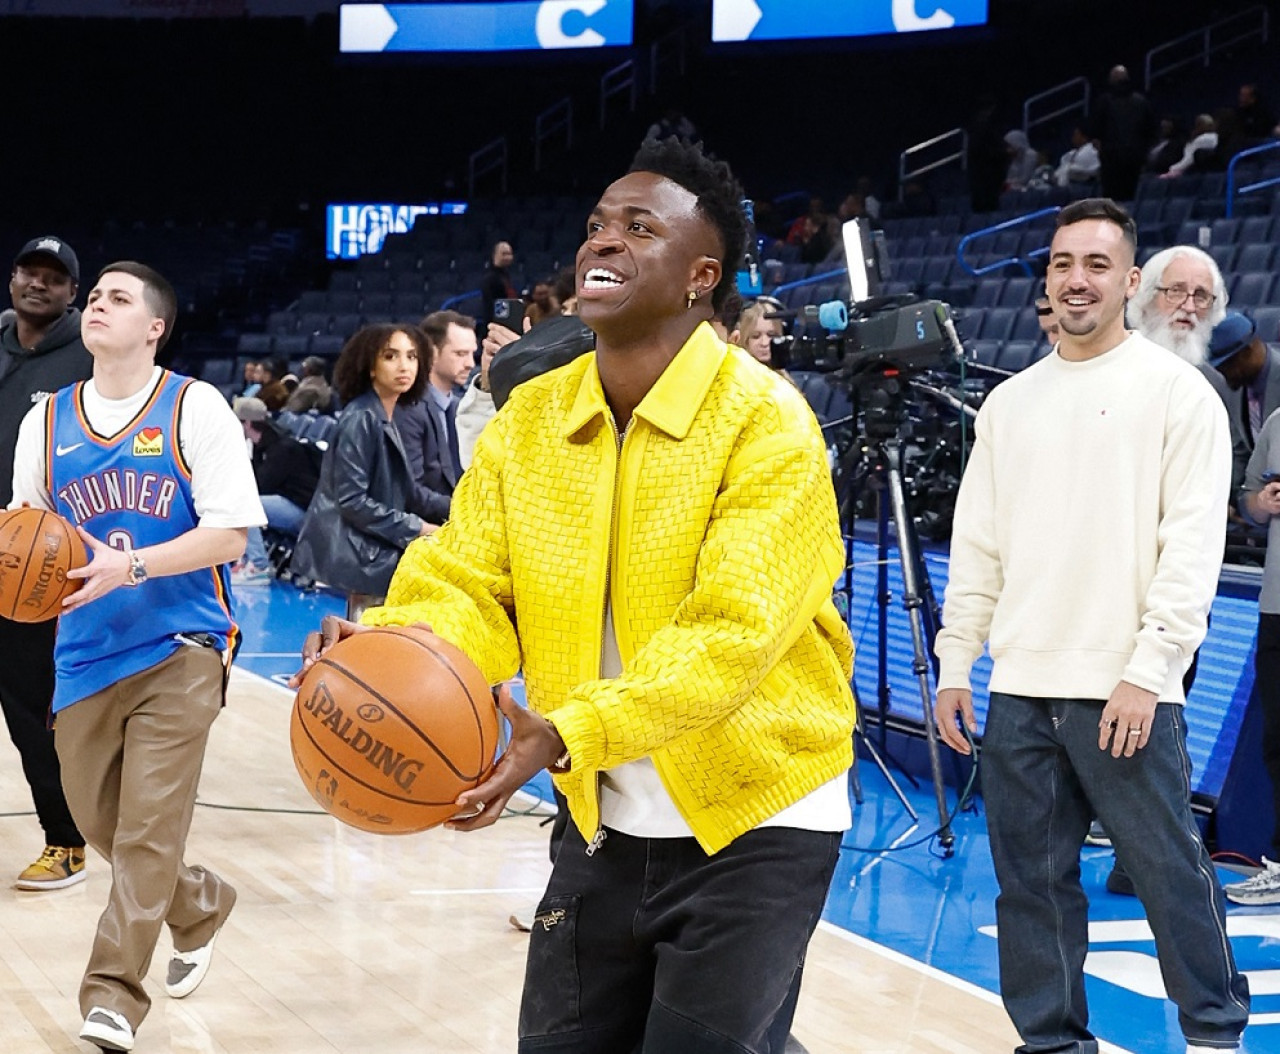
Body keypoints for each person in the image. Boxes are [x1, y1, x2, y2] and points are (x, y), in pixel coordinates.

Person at [295, 136, 856, 1054]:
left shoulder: (768, 424)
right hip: (600, 813)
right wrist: (394, 647)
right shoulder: (534, 418)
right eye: (598, 224)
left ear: (699, 276)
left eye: (640, 228)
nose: (603, 242)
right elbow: (469, 584)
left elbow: (732, 635)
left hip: (756, 815)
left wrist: (564, 731)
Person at [933, 198, 1250, 1054]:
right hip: (1022, 691)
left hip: (1124, 688)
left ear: (1130, 281)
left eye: (1098, 264)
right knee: (1030, 889)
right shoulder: (1009, 405)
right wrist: (958, 663)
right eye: (1063, 263)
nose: (1078, 279)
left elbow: (1192, 551)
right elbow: (980, 547)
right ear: (1047, 278)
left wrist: (1149, 672)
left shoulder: (1178, 395)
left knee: (1169, 877)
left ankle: (1216, 1036)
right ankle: (1051, 1043)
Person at [10, 261, 264, 1052]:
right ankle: (198, 903)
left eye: (117, 298)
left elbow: (230, 535)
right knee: (100, 822)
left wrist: (136, 565)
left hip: (181, 642)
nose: (97, 306)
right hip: (85, 651)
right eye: (95, 298)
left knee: (149, 825)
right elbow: (25, 530)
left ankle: (111, 994)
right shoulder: (44, 420)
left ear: (155, 325)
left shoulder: (194, 407)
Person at [0, 235, 92, 890]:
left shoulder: (87, 361)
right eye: (29, 270)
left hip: (31, 566)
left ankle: (66, 840)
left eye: (54, 276)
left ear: (71, 294)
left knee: (33, 711)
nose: (39, 282)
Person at [290, 324, 435, 621]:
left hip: (371, 546)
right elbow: (353, 501)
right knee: (367, 641)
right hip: (362, 552)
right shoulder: (362, 418)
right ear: (370, 366)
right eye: (390, 356)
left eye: (412, 357)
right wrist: (418, 528)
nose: (404, 366)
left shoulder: (383, 414)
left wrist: (458, 506)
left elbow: (409, 492)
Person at [1229, 392, 1280, 906]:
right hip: (1277, 605)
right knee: (1278, 741)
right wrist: (1261, 505)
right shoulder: (1278, 423)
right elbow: (1247, 499)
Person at [229, 396, 324, 585]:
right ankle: (247, 560)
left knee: (245, 504)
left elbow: (262, 485)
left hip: (304, 510)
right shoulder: (261, 446)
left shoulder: (281, 448)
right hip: (288, 503)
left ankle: (258, 565)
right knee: (241, 501)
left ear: (246, 423)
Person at [394, 309, 477, 522]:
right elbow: (410, 492)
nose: (470, 363)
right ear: (431, 353)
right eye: (460, 354)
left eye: (471, 353)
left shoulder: (460, 407)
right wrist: (467, 511)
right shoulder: (408, 408)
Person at [1205, 312, 1280, 443]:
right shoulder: (1233, 387)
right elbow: (1240, 452)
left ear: (1247, 352)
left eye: (1226, 366)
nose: (1222, 375)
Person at [1091, 65, 1156, 200]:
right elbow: (1151, 130)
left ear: (1112, 80)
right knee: (1130, 200)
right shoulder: (1142, 101)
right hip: (1135, 160)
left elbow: (1095, 129)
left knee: (1111, 201)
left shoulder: (1104, 101)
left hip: (1111, 161)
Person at [1162, 114, 1218, 178]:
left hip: (1193, 173)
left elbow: (1188, 161)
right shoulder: (1202, 138)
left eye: (1200, 124)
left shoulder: (1204, 139)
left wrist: (1172, 169)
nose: (1196, 127)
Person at [479, 240, 517, 327]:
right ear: (495, 255)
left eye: (509, 254)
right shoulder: (489, 278)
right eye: (504, 254)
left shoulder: (507, 275)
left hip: (509, 320)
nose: (508, 257)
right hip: (496, 324)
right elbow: (490, 306)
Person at [1054, 124, 1101, 189]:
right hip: (1068, 185)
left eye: (1076, 134)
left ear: (1084, 136)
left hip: (1085, 185)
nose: (1073, 137)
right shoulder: (1070, 154)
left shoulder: (1090, 150)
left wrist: (1070, 169)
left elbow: (1091, 170)